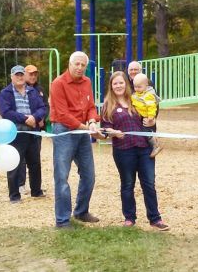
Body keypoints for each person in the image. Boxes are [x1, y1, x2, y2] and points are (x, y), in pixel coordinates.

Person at [100, 71, 169, 231]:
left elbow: (150, 119)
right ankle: (129, 218)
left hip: (144, 148)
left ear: (126, 84)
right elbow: (104, 127)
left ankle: (155, 219)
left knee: (149, 184)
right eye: (115, 83)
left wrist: (151, 120)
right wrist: (113, 132)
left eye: (121, 82)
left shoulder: (136, 99)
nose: (118, 86)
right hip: (123, 150)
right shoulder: (108, 105)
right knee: (127, 184)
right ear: (111, 86)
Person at [50, 51, 102, 229]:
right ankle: (62, 220)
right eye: (76, 64)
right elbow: (63, 114)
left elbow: (90, 107)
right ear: (69, 64)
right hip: (64, 131)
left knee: (89, 175)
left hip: (82, 130)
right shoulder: (58, 84)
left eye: (83, 65)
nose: (79, 68)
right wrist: (85, 128)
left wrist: (93, 120)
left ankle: (81, 211)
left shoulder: (87, 82)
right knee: (62, 177)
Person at [0, 65, 47, 203]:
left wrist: (34, 118)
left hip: (33, 132)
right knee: (14, 164)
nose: (19, 77)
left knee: (35, 163)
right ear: (11, 77)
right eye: (16, 75)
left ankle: (36, 191)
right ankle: (14, 196)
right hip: (16, 132)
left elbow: (42, 107)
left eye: (21, 75)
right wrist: (26, 119)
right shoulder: (5, 93)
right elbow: (6, 112)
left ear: (24, 76)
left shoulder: (32, 91)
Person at [17, 64, 50, 195]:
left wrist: (41, 118)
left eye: (35, 74)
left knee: (35, 158)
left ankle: (36, 187)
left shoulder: (40, 90)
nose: (33, 76)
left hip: (36, 129)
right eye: (30, 74)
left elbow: (45, 106)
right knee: (21, 158)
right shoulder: (17, 89)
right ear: (24, 75)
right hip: (22, 128)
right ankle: (20, 184)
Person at [131, 73, 163, 158]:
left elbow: (152, 107)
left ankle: (155, 145)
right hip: (140, 116)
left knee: (146, 132)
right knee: (144, 132)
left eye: (139, 87)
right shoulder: (138, 93)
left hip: (146, 117)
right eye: (135, 87)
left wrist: (151, 117)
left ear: (146, 85)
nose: (137, 89)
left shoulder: (148, 95)